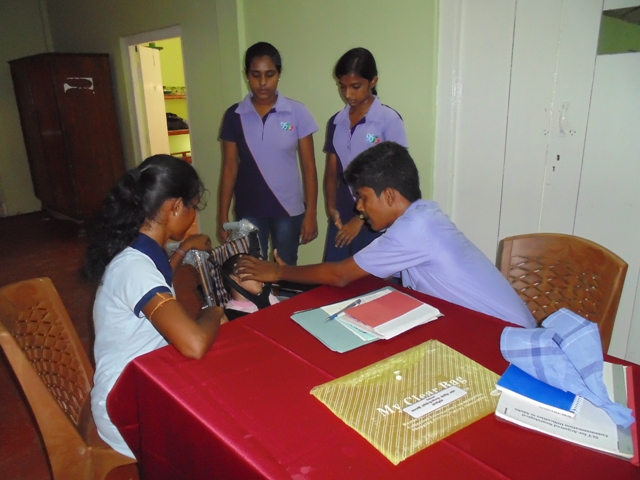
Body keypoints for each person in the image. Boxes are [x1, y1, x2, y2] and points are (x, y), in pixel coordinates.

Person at [238, 142, 536, 328]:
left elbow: (340, 274)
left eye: (364, 197)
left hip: (505, 340)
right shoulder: (422, 217)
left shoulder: (414, 230)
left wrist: (278, 272)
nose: (359, 206)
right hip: (488, 328)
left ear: (390, 196)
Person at [83, 154, 226, 458]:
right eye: (193, 207)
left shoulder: (139, 245)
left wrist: (184, 248)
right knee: (221, 436)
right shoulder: (134, 268)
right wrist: (214, 308)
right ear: (174, 206)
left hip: (140, 378)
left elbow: (158, 281)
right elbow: (195, 343)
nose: (194, 216)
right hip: (124, 405)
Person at [218, 41, 319, 265]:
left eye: (269, 74)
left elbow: (309, 167)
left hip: (289, 209)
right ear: (247, 75)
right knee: (252, 270)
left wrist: (311, 213)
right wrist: (222, 216)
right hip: (249, 209)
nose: (263, 83)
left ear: (279, 74)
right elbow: (229, 168)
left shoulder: (297, 112)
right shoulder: (234, 115)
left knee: (286, 269)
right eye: (255, 75)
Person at [323, 47, 408, 262]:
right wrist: (331, 209)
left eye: (356, 86)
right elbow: (331, 171)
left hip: (375, 219)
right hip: (341, 216)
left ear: (373, 81)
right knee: (334, 282)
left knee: (370, 285)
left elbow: (396, 176)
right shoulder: (336, 122)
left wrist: (361, 217)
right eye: (342, 87)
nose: (348, 94)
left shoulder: (388, 120)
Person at [220, 253, 279, 320]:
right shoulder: (231, 314)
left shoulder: (268, 297)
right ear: (235, 280)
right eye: (252, 269)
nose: (260, 274)